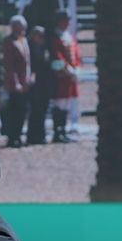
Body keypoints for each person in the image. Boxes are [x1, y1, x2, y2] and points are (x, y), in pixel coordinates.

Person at [48, 10, 81, 143]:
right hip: (61, 76)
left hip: (70, 76)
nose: (67, 23)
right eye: (64, 20)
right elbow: (56, 57)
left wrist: (77, 67)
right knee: (59, 103)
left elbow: (76, 54)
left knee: (67, 103)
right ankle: (58, 131)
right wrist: (67, 68)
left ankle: (63, 129)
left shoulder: (68, 36)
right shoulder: (55, 38)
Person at [1, 16, 33, 148]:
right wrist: (16, 83)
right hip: (15, 83)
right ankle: (12, 136)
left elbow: (28, 62)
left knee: (23, 110)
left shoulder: (24, 40)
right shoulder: (9, 41)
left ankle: (18, 135)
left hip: (25, 81)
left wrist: (29, 78)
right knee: (14, 110)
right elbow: (9, 65)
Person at [26, 25, 52, 145]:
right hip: (35, 83)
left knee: (42, 110)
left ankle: (41, 135)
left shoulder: (44, 48)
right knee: (35, 110)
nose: (41, 38)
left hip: (44, 83)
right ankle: (32, 136)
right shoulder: (29, 48)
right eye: (39, 35)